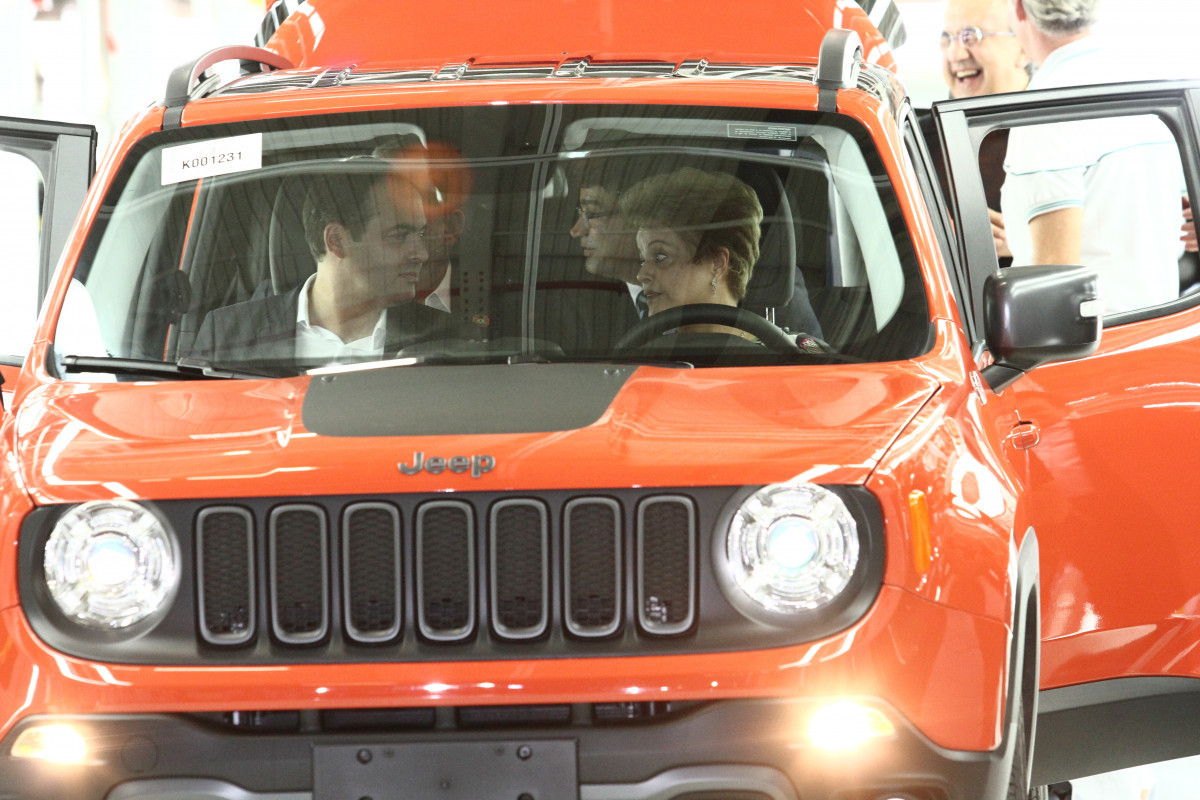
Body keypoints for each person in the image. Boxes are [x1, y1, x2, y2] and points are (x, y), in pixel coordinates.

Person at [1001, 0, 1183, 314]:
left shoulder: (1045, 108)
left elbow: (1056, 281)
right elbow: (1179, 224)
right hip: (1162, 330)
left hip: (1096, 346)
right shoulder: (1152, 84)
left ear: (1019, 8)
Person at [190, 161, 447, 365]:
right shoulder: (226, 335)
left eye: (421, 234)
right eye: (399, 235)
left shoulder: (447, 339)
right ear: (336, 240)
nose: (422, 254)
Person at [617, 167, 761, 336]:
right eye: (643, 260)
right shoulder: (644, 356)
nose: (641, 275)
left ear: (717, 263)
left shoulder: (783, 359)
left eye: (660, 257)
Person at [940, 0, 1031, 260]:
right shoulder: (918, 139)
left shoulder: (1056, 130)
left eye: (972, 36)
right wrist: (940, 233)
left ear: (1023, 47)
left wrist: (1026, 242)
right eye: (947, 38)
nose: (955, 55)